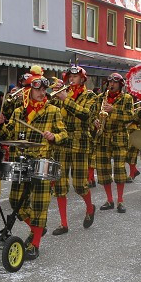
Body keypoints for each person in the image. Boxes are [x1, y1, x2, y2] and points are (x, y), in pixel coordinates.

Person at [0, 77, 68, 259]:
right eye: (39, 90)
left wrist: (53, 137)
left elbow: (64, 135)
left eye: (44, 90)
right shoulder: (19, 112)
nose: (43, 93)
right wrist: (0, 123)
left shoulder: (53, 111)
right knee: (15, 201)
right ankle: (37, 229)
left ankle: (35, 244)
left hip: (42, 161)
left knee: (39, 205)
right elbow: (6, 135)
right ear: (29, 91)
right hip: (22, 160)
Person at [48, 66, 97, 233]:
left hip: (80, 144)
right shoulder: (62, 93)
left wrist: (65, 99)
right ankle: (64, 224)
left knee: (80, 185)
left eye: (75, 76)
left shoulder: (90, 96)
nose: (71, 79)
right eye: (70, 76)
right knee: (60, 186)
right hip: (61, 143)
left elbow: (86, 115)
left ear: (82, 79)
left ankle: (90, 208)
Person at [92, 72, 135, 213]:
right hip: (103, 137)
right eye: (110, 82)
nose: (111, 85)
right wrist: (95, 121)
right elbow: (91, 114)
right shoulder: (100, 98)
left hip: (119, 137)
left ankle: (120, 200)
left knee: (119, 169)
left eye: (115, 83)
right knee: (103, 170)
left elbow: (130, 116)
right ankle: (109, 199)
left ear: (120, 84)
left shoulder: (127, 98)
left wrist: (113, 110)